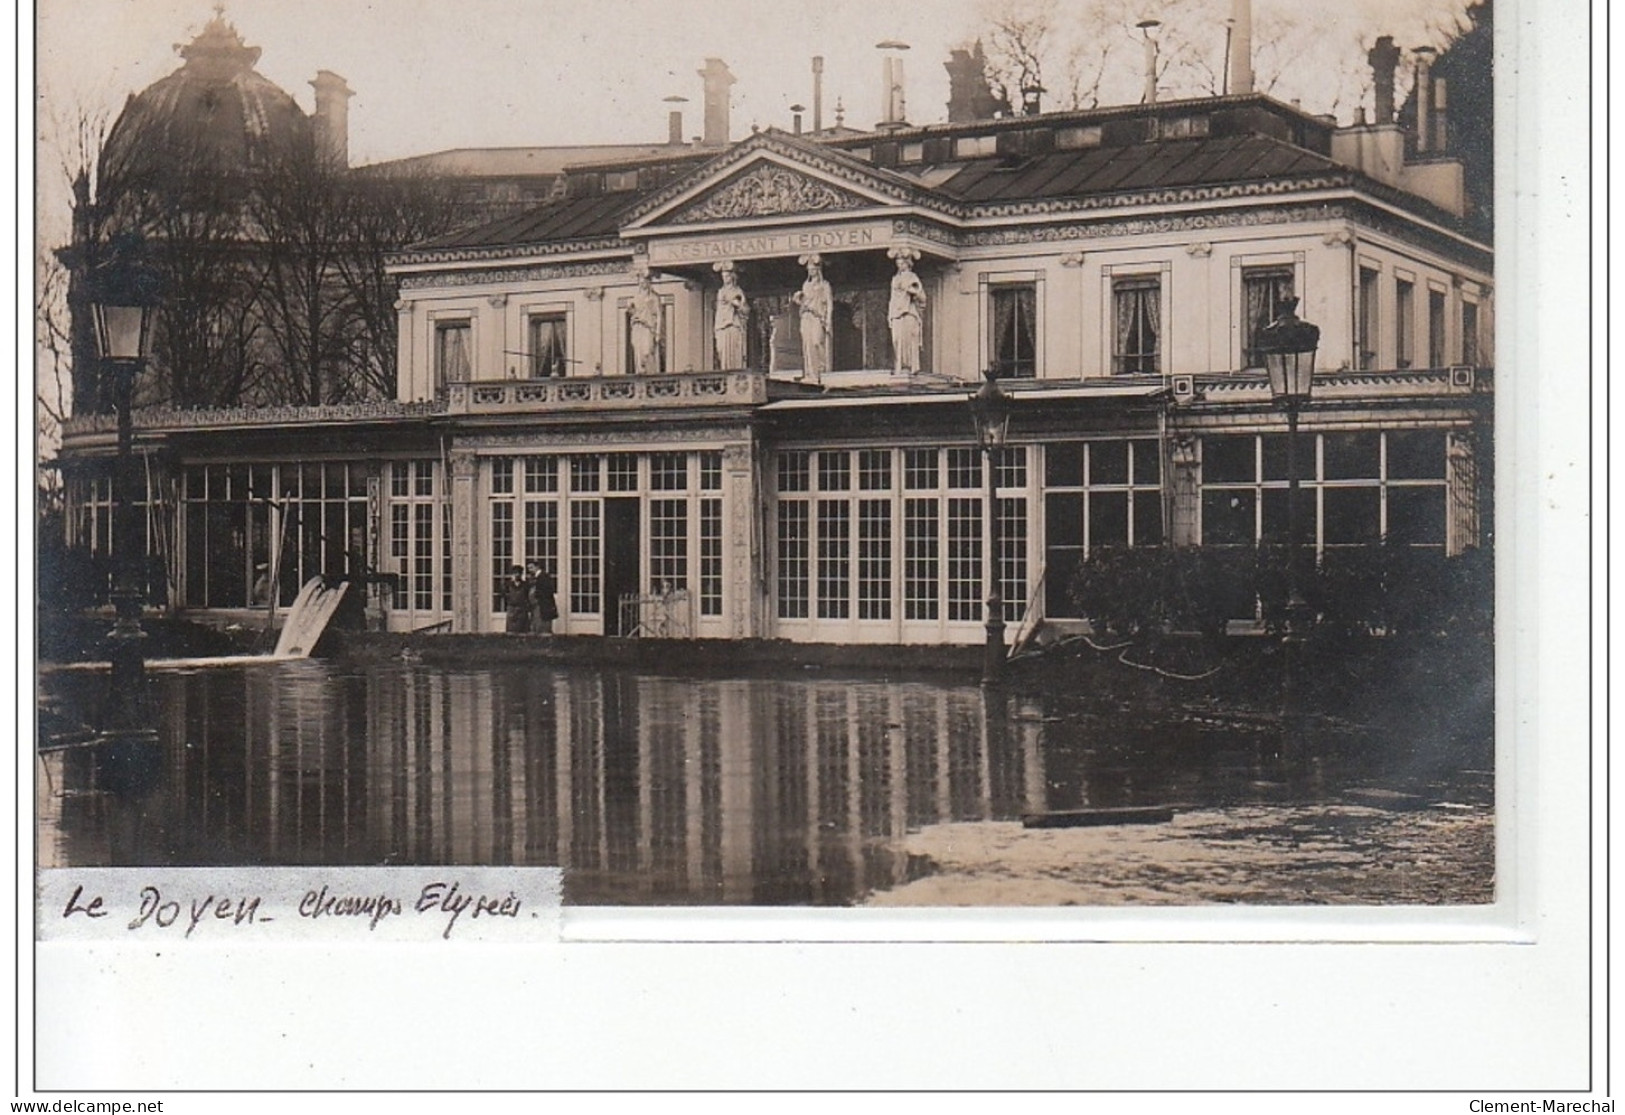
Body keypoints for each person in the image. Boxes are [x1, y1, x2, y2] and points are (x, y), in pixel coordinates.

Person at [792, 253, 832, 384]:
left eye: (814, 269)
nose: (812, 271)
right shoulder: (806, 285)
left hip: (817, 317)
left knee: (816, 342)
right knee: (807, 345)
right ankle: (810, 373)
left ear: (818, 270)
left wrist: (828, 320)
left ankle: (821, 369)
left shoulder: (825, 285)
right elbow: (803, 302)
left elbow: (829, 303)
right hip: (806, 317)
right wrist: (798, 299)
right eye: (809, 270)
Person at [887, 247, 927, 374]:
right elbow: (892, 298)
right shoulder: (895, 279)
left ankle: (907, 367)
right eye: (898, 262)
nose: (900, 265)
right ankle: (900, 366)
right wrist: (890, 314)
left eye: (902, 262)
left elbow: (922, 297)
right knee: (896, 340)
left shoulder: (912, 277)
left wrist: (913, 291)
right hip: (896, 313)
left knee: (906, 342)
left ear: (908, 264)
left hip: (908, 313)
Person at [713, 261, 749, 369]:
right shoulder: (720, 292)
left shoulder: (738, 291)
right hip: (721, 325)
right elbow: (721, 307)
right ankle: (726, 369)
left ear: (732, 277)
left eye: (727, 276)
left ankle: (733, 371)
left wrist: (738, 305)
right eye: (723, 277)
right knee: (721, 350)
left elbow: (745, 309)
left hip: (733, 324)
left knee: (733, 352)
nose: (725, 279)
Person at [629, 271, 663, 375]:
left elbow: (659, 315)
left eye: (644, 282)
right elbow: (633, 312)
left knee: (647, 351)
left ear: (649, 282)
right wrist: (633, 318)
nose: (642, 284)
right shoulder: (636, 297)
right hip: (637, 327)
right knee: (638, 352)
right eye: (640, 282)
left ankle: (650, 374)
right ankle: (640, 372)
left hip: (649, 327)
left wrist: (658, 332)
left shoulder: (654, 297)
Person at [529, 562, 560, 635]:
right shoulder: (535, 577)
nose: (530, 570)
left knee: (543, 623)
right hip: (538, 604)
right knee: (537, 621)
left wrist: (537, 597)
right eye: (529, 568)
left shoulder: (543, 577)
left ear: (537, 567)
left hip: (543, 604)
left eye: (531, 567)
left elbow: (546, 591)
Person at [506, 565, 531, 633]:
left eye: (519, 573)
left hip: (522, 610)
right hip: (512, 610)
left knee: (523, 629)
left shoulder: (526, 584)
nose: (517, 575)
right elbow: (504, 595)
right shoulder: (508, 585)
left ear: (521, 574)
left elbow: (528, 597)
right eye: (515, 573)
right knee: (511, 630)